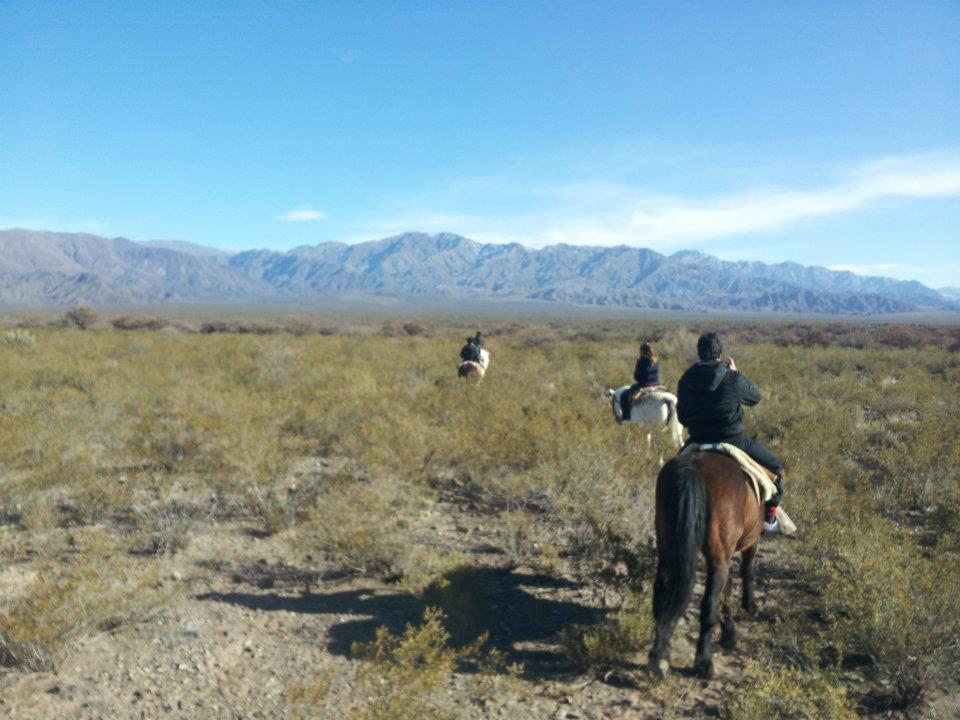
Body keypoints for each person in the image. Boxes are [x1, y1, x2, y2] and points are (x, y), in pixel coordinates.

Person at [676, 332, 784, 532]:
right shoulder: (731, 377)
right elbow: (755, 397)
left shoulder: (686, 379)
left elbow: (682, 417)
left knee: (675, 474)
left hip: (698, 439)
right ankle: (770, 517)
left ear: (699, 353)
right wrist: (736, 373)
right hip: (733, 440)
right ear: (720, 354)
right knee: (775, 466)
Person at [620, 342, 661, 421]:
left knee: (624, 395)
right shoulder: (656, 359)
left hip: (644, 385)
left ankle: (627, 417)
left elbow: (637, 377)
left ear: (641, 351)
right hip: (656, 385)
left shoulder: (641, 360)